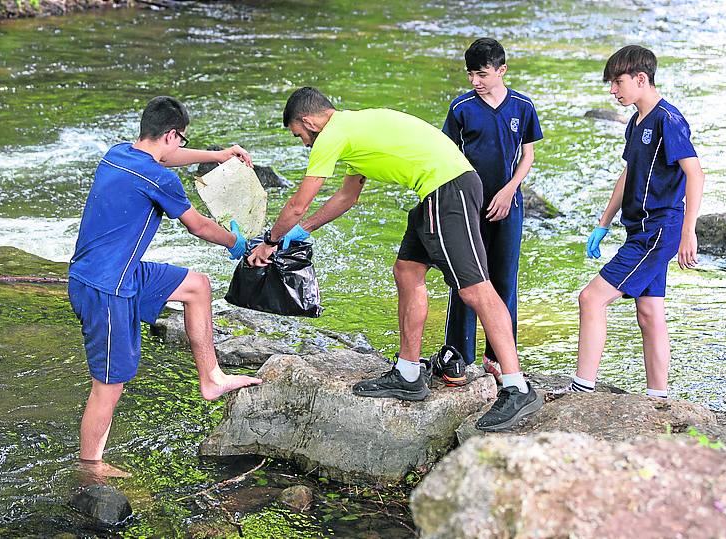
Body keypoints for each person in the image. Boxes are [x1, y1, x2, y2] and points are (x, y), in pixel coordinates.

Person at [247, 87, 543, 432]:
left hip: (447, 190)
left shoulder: (332, 135)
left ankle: (516, 386)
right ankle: (408, 373)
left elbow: (298, 202)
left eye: (300, 135)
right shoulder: (352, 130)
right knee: (406, 271)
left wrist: (271, 241)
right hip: (436, 190)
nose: (304, 144)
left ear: (309, 120)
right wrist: (304, 230)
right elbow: (347, 197)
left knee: (475, 288)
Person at [68, 96, 263, 478]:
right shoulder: (160, 178)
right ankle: (90, 466)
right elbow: (198, 226)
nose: (182, 148)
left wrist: (219, 155)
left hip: (115, 273)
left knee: (197, 287)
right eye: (183, 140)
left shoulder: (119, 153)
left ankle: (211, 378)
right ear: (172, 134)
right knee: (109, 386)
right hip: (105, 288)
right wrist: (237, 243)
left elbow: (167, 156)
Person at [565, 45, 705, 397]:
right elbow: (629, 173)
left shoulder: (667, 120)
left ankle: (582, 389)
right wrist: (604, 222)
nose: (613, 90)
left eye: (617, 82)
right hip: (639, 230)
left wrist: (689, 231)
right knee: (649, 312)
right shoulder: (636, 121)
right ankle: (659, 397)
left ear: (641, 79)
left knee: (591, 299)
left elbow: (696, 173)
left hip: (659, 230)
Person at [441, 38, 543, 383]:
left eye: (482, 74)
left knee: (504, 281)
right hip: (467, 206)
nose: (475, 81)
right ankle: (457, 352)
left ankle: (499, 356)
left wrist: (509, 190)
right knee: (465, 279)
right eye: (470, 74)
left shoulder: (523, 107)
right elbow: (446, 156)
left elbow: (527, 155)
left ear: (502, 70)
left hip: (509, 204)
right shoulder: (461, 108)